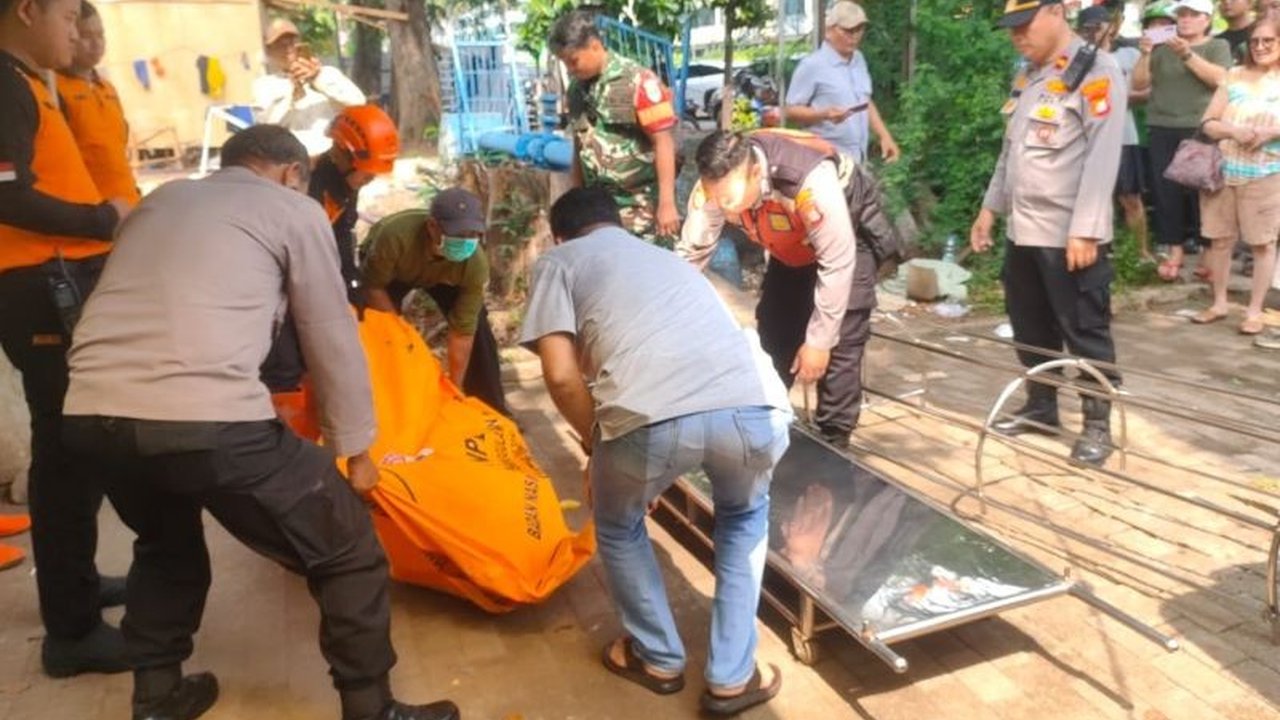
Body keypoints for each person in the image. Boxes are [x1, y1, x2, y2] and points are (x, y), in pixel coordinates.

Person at [62, 125, 460, 720]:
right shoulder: (293, 210)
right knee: (346, 546)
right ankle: (371, 707)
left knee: (164, 545)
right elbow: (329, 333)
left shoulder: (163, 199)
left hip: (91, 413)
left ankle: (156, 695)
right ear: (291, 173)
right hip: (209, 418)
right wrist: (357, 451)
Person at [521, 187, 792, 717]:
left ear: (559, 234)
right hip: (756, 407)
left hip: (650, 420)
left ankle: (659, 659)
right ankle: (733, 678)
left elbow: (558, 374)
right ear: (617, 223)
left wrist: (597, 447)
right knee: (743, 518)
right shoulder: (668, 259)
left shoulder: (558, 261)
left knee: (618, 524)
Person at [0, 0, 133, 678]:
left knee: (74, 445)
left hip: (59, 278)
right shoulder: (3, 82)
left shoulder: (25, 81)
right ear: (28, 11)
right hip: (37, 290)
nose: (75, 32)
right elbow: (4, 193)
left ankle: (77, 588)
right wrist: (99, 217)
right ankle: (72, 631)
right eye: (64, 17)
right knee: (66, 449)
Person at [969, 0, 1128, 466]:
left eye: (1026, 24)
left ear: (1057, 12)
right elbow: (1010, 151)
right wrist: (989, 209)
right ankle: (1041, 408)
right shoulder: (1031, 75)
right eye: (1011, 28)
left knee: (1084, 331)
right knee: (1030, 326)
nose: (1017, 35)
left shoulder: (1097, 71)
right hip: (1024, 230)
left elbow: (1103, 157)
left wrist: (1087, 230)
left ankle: (1098, 424)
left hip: (1069, 236)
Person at [680, 129, 897, 449]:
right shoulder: (714, 188)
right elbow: (691, 255)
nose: (722, 208)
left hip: (846, 236)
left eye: (729, 201)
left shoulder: (809, 183)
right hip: (789, 242)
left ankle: (833, 440)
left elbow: (837, 262)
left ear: (755, 173)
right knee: (774, 327)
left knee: (839, 342)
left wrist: (819, 342)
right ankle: (764, 417)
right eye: (716, 199)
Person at [260, 104, 399, 398]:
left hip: (310, 282)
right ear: (342, 152)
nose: (369, 180)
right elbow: (293, 261)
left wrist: (354, 295)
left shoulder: (345, 186)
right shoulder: (306, 189)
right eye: (366, 174)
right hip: (276, 287)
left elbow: (341, 245)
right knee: (285, 370)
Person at [361, 189, 510, 416]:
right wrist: (398, 330)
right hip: (391, 276)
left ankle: (488, 409)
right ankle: (389, 407)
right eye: (458, 234)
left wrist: (455, 386)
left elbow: (463, 331)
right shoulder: (394, 237)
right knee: (384, 333)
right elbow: (373, 287)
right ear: (432, 227)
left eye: (473, 234)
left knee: (478, 328)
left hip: (445, 276)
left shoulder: (474, 262)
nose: (466, 241)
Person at [549, 9, 681, 245]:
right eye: (564, 63)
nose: (569, 69)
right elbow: (579, 147)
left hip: (641, 207)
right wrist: (578, 198)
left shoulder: (638, 82)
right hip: (598, 212)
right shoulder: (576, 91)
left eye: (573, 60)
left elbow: (663, 141)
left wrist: (667, 203)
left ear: (594, 46)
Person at [1132, 0, 1231, 282]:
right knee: (1166, 193)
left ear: (1206, 19)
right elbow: (1138, 84)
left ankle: (1206, 252)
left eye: (1192, 14)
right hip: (1162, 126)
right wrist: (1145, 54)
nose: (1185, 20)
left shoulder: (1216, 46)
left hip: (1199, 127)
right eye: (1181, 15)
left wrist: (1187, 55)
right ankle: (1174, 250)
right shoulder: (1162, 48)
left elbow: (1221, 79)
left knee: (1202, 192)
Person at [1193, 18, 1280, 335]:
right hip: (1224, 170)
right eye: (1255, 41)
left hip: (1267, 173)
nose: (1260, 47)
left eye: (1268, 41)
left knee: (1262, 243)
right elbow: (1208, 123)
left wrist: (1269, 132)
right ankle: (1218, 303)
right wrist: (1234, 131)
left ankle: (1255, 310)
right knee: (1219, 239)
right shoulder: (1233, 76)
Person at [784, 1, 900, 164]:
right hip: (826, 161)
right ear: (829, 31)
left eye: (859, 30)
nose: (854, 36)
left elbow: (864, 101)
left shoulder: (858, 59)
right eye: (848, 31)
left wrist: (884, 136)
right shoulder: (812, 65)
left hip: (858, 159)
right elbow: (790, 111)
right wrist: (824, 114)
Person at [1079, 5, 1153, 261]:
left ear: (1110, 27)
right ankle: (1101, 249)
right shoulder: (1079, 58)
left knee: (1130, 196)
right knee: (1094, 197)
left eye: (1098, 26)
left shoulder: (1129, 54)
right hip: (1087, 137)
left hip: (1123, 135)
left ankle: (1140, 251)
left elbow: (1145, 92)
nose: (1093, 32)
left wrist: (1115, 95)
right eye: (1087, 28)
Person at [55, 1, 140, 207]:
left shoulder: (107, 89)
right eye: (86, 36)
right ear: (70, 35)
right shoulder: (54, 91)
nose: (96, 43)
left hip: (129, 202)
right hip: (91, 210)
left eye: (100, 35)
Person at [251, 17, 366, 157]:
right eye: (280, 44)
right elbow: (267, 126)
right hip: (290, 162)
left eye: (292, 42)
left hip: (330, 158)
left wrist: (318, 78)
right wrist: (292, 90)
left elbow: (358, 103)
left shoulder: (327, 74)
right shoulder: (264, 85)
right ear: (269, 51)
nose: (288, 48)